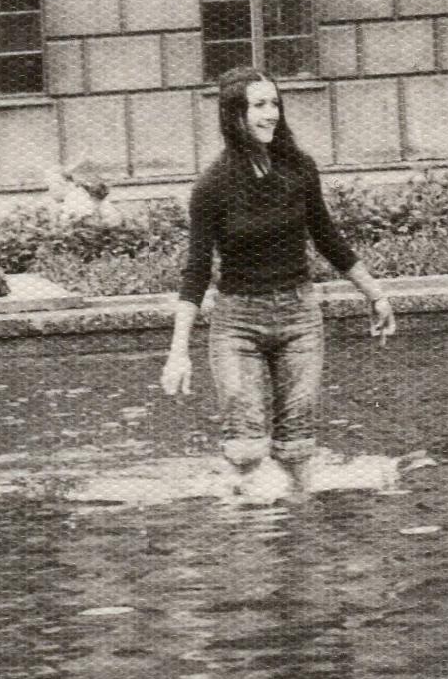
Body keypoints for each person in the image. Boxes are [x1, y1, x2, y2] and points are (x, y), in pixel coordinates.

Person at [160, 69, 395, 496]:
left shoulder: (299, 169)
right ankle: (247, 527)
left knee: (297, 447)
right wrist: (178, 353)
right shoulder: (212, 186)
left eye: (275, 103)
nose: (271, 113)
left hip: (300, 319)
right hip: (237, 325)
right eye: (259, 105)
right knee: (246, 450)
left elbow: (327, 237)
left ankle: (298, 528)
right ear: (235, 114)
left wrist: (376, 295)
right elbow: (196, 270)